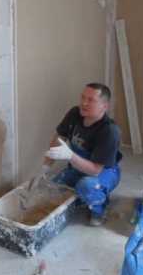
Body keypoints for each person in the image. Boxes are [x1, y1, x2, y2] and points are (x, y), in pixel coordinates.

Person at [43, 83, 122, 226]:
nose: (84, 103)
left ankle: (100, 209)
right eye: (83, 97)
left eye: (91, 100)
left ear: (104, 106)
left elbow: (95, 170)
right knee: (54, 189)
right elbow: (58, 139)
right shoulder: (75, 113)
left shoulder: (110, 131)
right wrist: (45, 167)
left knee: (86, 186)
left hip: (104, 172)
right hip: (77, 167)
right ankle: (82, 198)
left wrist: (70, 156)